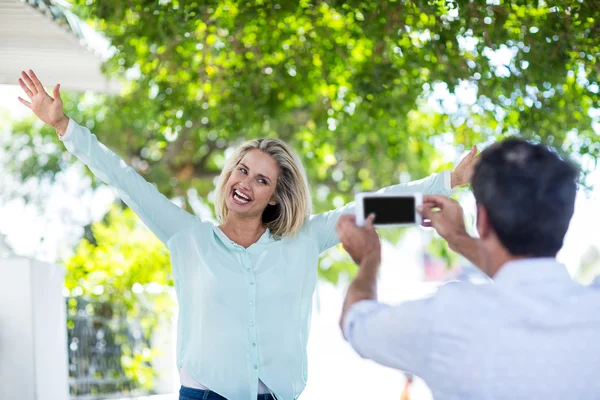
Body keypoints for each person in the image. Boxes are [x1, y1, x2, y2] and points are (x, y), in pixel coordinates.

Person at [17, 70, 476, 400]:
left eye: (261, 180)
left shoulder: (304, 240)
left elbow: (369, 205)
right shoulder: (188, 236)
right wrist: (63, 126)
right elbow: (125, 180)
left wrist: (447, 182)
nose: (245, 183)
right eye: (242, 170)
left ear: (275, 197)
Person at [337, 138, 600, 399]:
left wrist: (369, 257)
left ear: (482, 220)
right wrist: (460, 240)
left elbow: (355, 321)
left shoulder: (447, 318)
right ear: (563, 221)